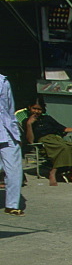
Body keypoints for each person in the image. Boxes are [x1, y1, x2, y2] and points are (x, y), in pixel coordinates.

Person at [23, 98, 72, 186]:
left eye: (39, 109)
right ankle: (53, 172)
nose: (36, 111)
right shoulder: (26, 122)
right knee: (65, 148)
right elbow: (30, 140)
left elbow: (63, 129)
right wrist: (29, 125)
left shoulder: (47, 118)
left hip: (56, 139)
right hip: (44, 142)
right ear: (30, 108)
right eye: (34, 108)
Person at [0, 72, 23, 216]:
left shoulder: (3, 81)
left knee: (14, 169)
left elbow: (10, 109)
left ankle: (12, 205)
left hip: (6, 131)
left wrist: (16, 133)